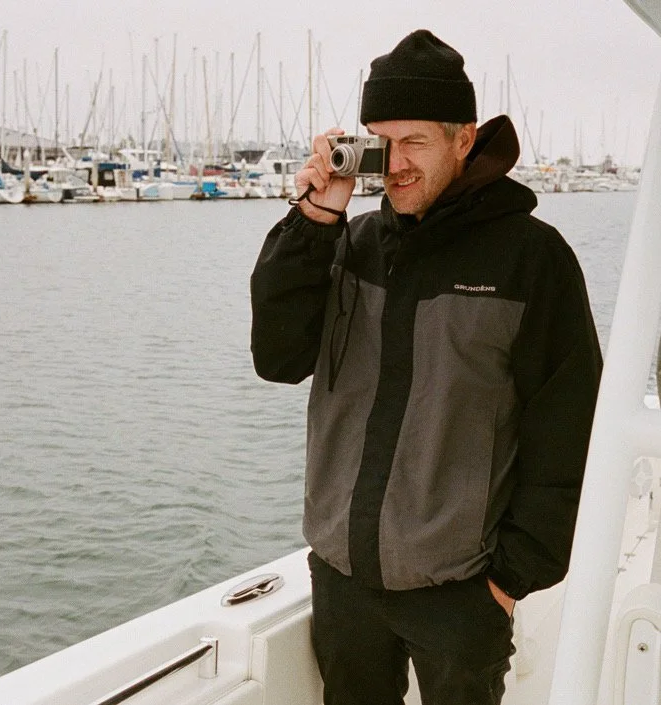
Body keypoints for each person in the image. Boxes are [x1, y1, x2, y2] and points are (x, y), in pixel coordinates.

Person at [250, 29, 602, 705]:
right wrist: (315, 216)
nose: (397, 164)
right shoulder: (348, 242)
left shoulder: (532, 260)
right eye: (383, 143)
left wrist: (508, 579)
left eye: (415, 142)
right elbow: (278, 356)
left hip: (461, 593)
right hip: (343, 581)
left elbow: (569, 428)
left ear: (463, 139)